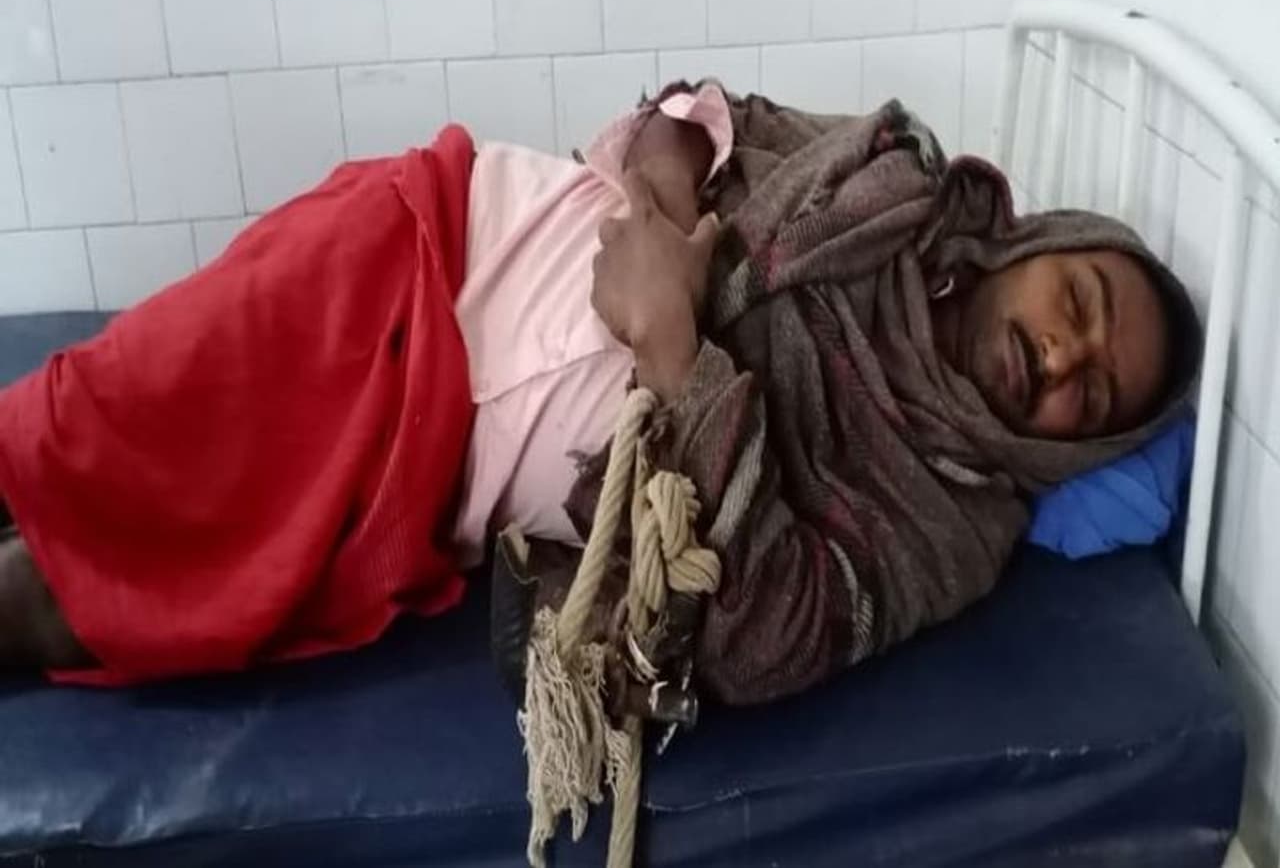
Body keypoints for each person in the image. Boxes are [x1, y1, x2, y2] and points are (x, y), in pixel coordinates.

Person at [0, 82, 1199, 703]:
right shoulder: (899, 171)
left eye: (1092, 396)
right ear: (1039, 245)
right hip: (438, 244)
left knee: (105, 604)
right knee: (77, 427)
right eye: (1077, 303)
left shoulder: (950, 526)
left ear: (1070, 451)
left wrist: (674, 345)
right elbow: (690, 116)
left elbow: (771, 639)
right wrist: (664, 213)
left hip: (432, 479)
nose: (1059, 357)